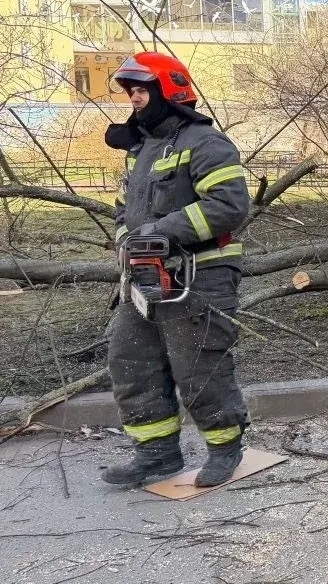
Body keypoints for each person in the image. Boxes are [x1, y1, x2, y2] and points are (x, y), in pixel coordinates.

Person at [100, 51, 252, 488]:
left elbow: (228, 205)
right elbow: (123, 209)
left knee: (199, 365)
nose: (133, 98)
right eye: (130, 90)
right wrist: (127, 241)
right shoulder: (140, 149)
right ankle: (156, 455)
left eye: (141, 89)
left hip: (199, 273)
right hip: (145, 278)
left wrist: (161, 232)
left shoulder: (206, 143)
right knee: (130, 360)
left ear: (170, 89)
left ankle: (224, 448)